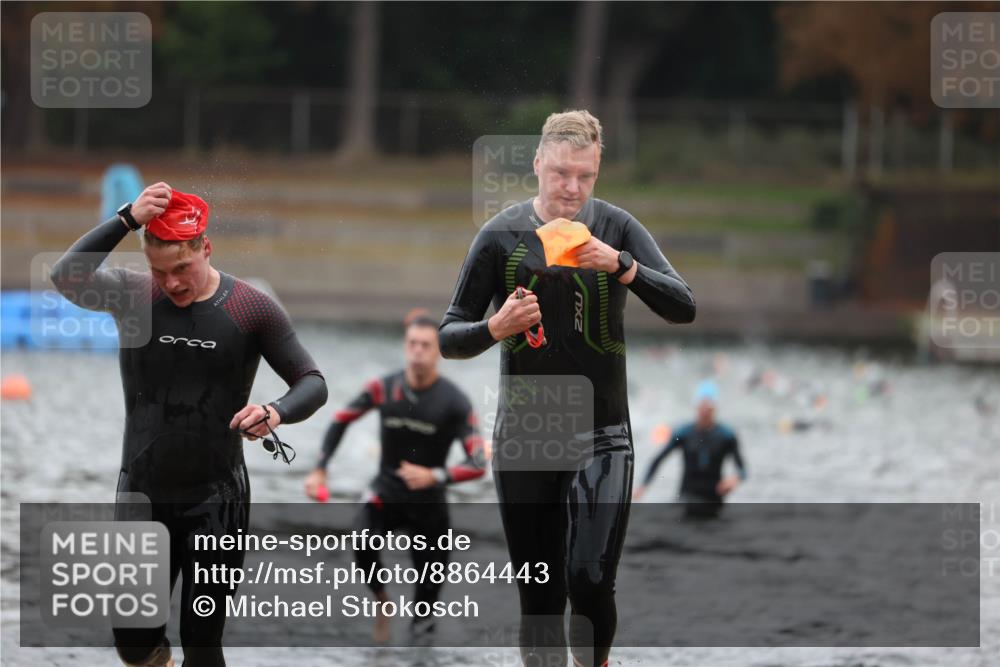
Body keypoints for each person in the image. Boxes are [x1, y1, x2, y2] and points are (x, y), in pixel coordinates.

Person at [438, 110, 695, 667]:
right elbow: (448, 336)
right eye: (560, 174)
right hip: (527, 437)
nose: (571, 189)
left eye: (585, 176)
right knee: (540, 598)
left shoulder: (617, 229)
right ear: (537, 165)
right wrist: (493, 328)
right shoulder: (500, 234)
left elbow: (684, 305)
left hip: (602, 433)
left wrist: (623, 267)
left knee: (590, 579)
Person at [50, 183, 328, 667]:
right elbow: (65, 277)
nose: (172, 283)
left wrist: (276, 410)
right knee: (134, 645)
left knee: (201, 641)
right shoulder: (133, 295)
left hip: (215, 499)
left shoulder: (250, 307)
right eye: (160, 271)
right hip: (141, 490)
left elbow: (312, 381)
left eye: (182, 268)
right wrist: (126, 219)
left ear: (206, 247)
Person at [303, 312, 486, 644]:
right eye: (412, 344)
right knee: (360, 540)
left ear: (438, 351)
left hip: (429, 507)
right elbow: (340, 419)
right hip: (385, 494)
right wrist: (320, 469)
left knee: (424, 616)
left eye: (426, 346)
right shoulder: (383, 388)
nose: (417, 351)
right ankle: (382, 600)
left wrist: (436, 474)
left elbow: (478, 463)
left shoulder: (455, 402)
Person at [633, 380, 746, 518]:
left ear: (715, 408)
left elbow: (742, 470)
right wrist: (643, 486)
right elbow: (658, 459)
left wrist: (733, 480)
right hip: (686, 499)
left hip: (714, 502)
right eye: (701, 406)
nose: (704, 411)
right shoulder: (684, 433)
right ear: (696, 407)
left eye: (709, 407)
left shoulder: (726, 436)